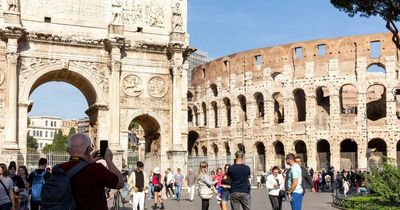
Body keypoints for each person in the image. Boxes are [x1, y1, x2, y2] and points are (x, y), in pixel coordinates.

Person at [58, 133, 124, 210]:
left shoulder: (59, 169)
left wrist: (88, 162)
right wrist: (109, 160)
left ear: (68, 150)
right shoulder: (96, 169)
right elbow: (120, 183)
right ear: (89, 149)